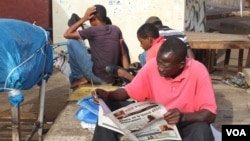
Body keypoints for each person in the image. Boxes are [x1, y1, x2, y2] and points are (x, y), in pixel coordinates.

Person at [92, 37, 217, 141]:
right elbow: (128, 91)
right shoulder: (152, 66)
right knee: (109, 109)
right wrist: (108, 95)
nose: (160, 68)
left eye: (165, 65)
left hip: (183, 125)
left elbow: (210, 114)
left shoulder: (198, 70)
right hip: (154, 125)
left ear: (181, 65)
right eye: (159, 62)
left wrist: (183, 117)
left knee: (202, 128)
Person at [64, 4, 130, 88]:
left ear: (93, 18)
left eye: (89, 20)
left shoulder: (92, 30)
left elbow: (67, 34)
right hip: (113, 77)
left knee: (71, 41)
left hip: (98, 77)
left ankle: (79, 77)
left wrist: (84, 18)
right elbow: (122, 54)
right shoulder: (116, 29)